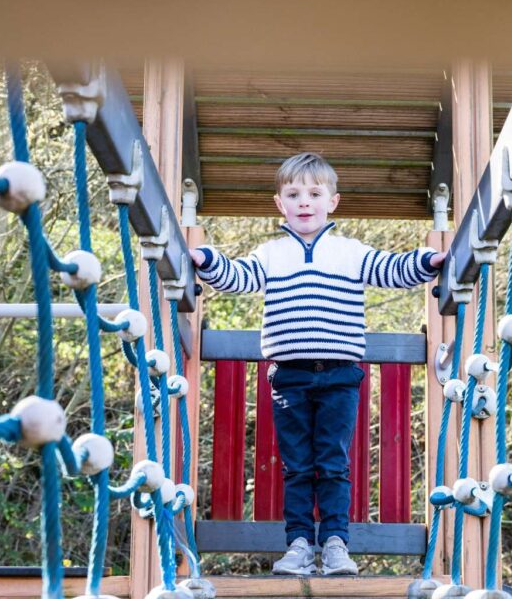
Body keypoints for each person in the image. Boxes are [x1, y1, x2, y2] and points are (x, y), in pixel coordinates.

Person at [190, 152, 446, 576]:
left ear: (333, 201)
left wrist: (426, 261)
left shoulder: (349, 252)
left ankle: (335, 544)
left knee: (331, 462)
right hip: (289, 376)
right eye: (293, 194)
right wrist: (208, 261)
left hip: (340, 375)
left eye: (314, 193)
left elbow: (391, 269)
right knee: (297, 466)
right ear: (280, 204)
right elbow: (239, 278)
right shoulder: (271, 254)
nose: (304, 202)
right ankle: (298, 545)